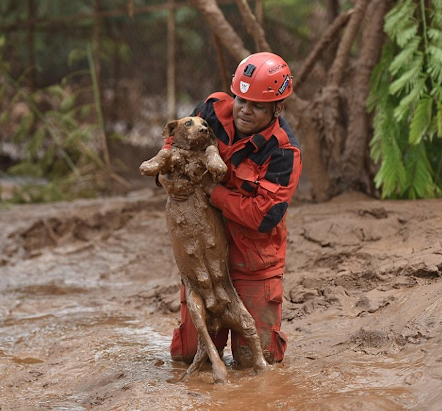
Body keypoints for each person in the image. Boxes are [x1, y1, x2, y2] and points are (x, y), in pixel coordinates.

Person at [167, 52, 302, 367]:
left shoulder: (283, 152)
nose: (244, 110)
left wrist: (213, 191)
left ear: (277, 108)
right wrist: (166, 167)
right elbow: (176, 143)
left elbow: (263, 216)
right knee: (189, 358)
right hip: (203, 255)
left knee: (256, 360)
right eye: (241, 99)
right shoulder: (210, 111)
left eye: (257, 105)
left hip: (254, 262)